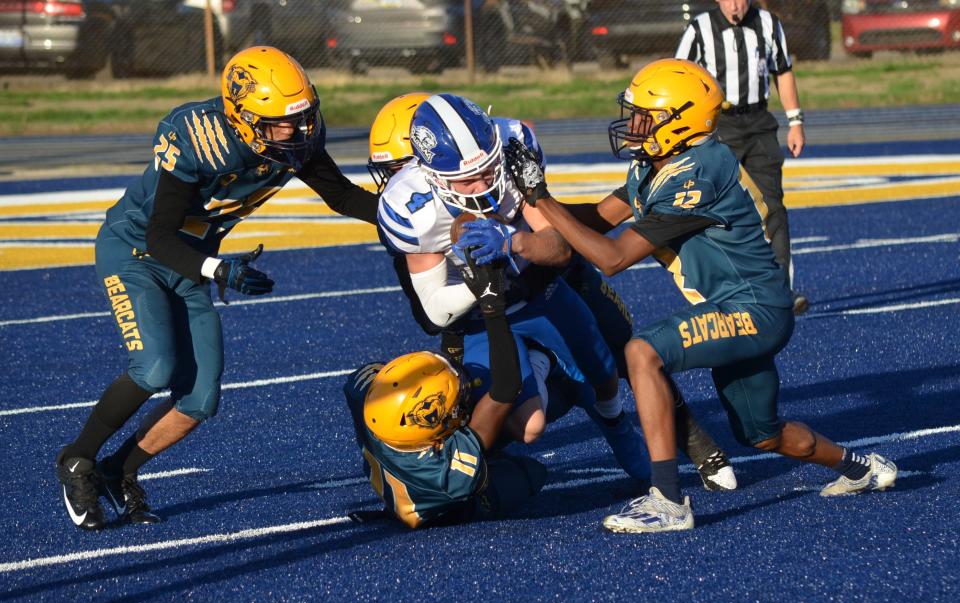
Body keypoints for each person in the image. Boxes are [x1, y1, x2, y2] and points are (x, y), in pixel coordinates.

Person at [502, 58, 897, 533]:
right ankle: (862, 468)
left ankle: (668, 501)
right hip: (738, 306)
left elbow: (611, 257)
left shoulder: (697, 174)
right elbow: (595, 219)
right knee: (762, 434)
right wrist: (523, 198)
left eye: (644, 116)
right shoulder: (660, 164)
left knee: (641, 351)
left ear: (680, 121)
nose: (632, 126)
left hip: (753, 308)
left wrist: (541, 196)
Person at [55, 46, 381, 531]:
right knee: (155, 367)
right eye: (277, 123)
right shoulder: (196, 138)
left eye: (300, 118)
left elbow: (342, 195)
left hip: (195, 260)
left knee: (199, 399)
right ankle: (78, 459)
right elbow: (159, 236)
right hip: (137, 253)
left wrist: (408, 220)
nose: (293, 132)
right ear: (242, 118)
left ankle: (117, 470)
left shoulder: (293, 140)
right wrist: (219, 271)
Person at [374, 91, 736, 491]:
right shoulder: (411, 209)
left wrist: (513, 242)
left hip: (545, 286)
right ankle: (502, 428)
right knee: (526, 422)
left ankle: (644, 433)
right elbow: (435, 313)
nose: (484, 182)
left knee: (610, 359)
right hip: (482, 319)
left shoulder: (512, 149)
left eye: (488, 167)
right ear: (431, 175)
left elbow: (560, 247)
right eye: (468, 178)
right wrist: (483, 289)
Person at [344, 251, 547, 528]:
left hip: (403, 465)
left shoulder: (366, 394)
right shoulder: (449, 476)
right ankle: (546, 359)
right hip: (441, 504)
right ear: (433, 438)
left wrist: (453, 316)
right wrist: (492, 308)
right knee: (532, 474)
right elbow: (506, 389)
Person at [676, 0, 808, 314]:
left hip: (760, 123)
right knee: (717, 209)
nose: (736, 6)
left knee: (772, 206)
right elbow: (678, 75)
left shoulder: (768, 24)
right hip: (719, 126)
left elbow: (783, 70)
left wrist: (796, 121)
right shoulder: (699, 29)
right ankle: (722, 291)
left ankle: (780, 292)